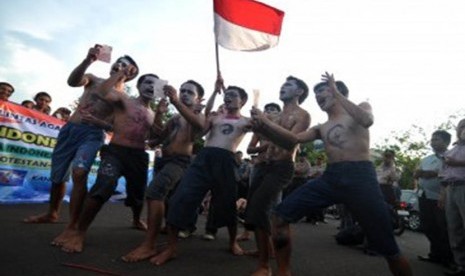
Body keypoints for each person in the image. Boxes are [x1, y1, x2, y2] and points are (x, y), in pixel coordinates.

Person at [250, 72, 412, 276]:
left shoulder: (360, 108)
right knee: (280, 216)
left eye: (323, 91)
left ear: (338, 92)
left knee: (388, 245)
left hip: (361, 177)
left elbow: (367, 120)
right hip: (331, 177)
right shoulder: (321, 127)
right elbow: (291, 140)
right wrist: (264, 124)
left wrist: (336, 91)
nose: (318, 96)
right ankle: (283, 271)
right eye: (316, 94)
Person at [23, 45, 138, 232]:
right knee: (58, 175)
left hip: (92, 135)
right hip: (70, 130)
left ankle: (74, 224)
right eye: (117, 62)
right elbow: (73, 81)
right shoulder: (94, 79)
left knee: (79, 172)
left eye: (124, 65)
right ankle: (52, 213)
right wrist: (88, 61)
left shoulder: (124, 98)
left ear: (131, 73)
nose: (118, 65)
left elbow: (117, 126)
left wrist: (98, 122)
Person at [151, 75, 250, 265]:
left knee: (227, 205)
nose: (228, 97)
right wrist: (214, 91)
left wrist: (260, 119)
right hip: (204, 159)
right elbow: (201, 132)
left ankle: (232, 242)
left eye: (233, 95)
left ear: (242, 101)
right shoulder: (215, 117)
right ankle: (171, 248)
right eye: (226, 94)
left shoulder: (245, 121)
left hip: (226, 161)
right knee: (180, 198)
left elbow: (261, 131)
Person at [59, 69, 157, 253]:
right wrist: (120, 73)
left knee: (137, 194)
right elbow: (103, 92)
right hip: (115, 152)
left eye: (154, 84)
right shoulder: (124, 99)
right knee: (104, 185)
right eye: (147, 82)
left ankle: (136, 219)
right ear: (138, 85)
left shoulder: (153, 114)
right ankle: (79, 232)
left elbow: (155, 137)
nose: (151, 86)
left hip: (138, 156)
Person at [122, 79, 205, 263]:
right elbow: (159, 136)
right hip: (164, 160)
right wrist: (159, 114)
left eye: (189, 92)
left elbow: (199, 127)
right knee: (166, 198)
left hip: (180, 162)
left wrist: (175, 101)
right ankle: (165, 234)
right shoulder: (176, 117)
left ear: (199, 99)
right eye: (182, 90)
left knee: (154, 192)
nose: (184, 94)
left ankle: (149, 245)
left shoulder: (198, 114)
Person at [245, 76, 310, 276]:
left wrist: (265, 122)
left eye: (289, 85)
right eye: (282, 84)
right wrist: (257, 126)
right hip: (265, 165)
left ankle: (265, 266)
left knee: (259, 208)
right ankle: (264, 253)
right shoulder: (276, 116)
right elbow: (263, 143)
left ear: (299, 92)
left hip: (282, 167)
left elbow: (291, 142)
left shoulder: (303, 115)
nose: (283, 87)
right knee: (255, 210)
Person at [415, 130, 454, 268]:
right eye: (432, 139)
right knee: (427, 226)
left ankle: (449, 258)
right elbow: (417, 173)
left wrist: (430, 173)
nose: (432, 142)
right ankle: (435, 254)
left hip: (441, 197)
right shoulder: (426, 159)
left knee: (443, 228)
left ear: (446, 142)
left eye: (436, 139)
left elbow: (445, 174)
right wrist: (428, 173)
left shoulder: (451, 156)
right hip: (424, 195)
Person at [440, 119, 465, 276]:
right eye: (461, 126)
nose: (463, 129)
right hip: (451, 189)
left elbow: (455, 164)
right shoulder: (451, 150)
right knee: (454, 228)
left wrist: (459, 163)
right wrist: (443, 194)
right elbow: (444, 173)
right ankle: (461, 265)